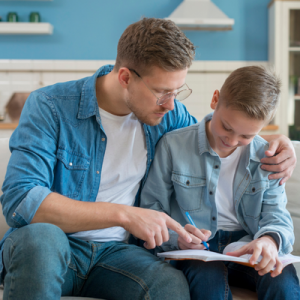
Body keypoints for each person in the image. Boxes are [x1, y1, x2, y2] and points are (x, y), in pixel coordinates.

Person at [0, 18, 296, 300]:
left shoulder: (168, 116)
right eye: (162, 93)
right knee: (41, 242)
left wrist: (277, 144)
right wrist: (123, 215)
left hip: (120, 254)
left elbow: (216, 139)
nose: (171, 104)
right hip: (54, 246)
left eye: (176, 91)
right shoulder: (50, 107)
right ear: (125, 77)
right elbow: (21, 199)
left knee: (168, 284)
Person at [140, 66, 300, 300]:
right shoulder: (173, 146)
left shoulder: (269, 157)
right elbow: (151, 208)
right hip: (197, 251)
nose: (232, 141)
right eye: (226, 127)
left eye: (246, 136)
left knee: (282, 277)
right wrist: (178, 236)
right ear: (215, 99)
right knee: (206, 281)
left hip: (248, 246)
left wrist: (269, 240)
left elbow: (277, 215)